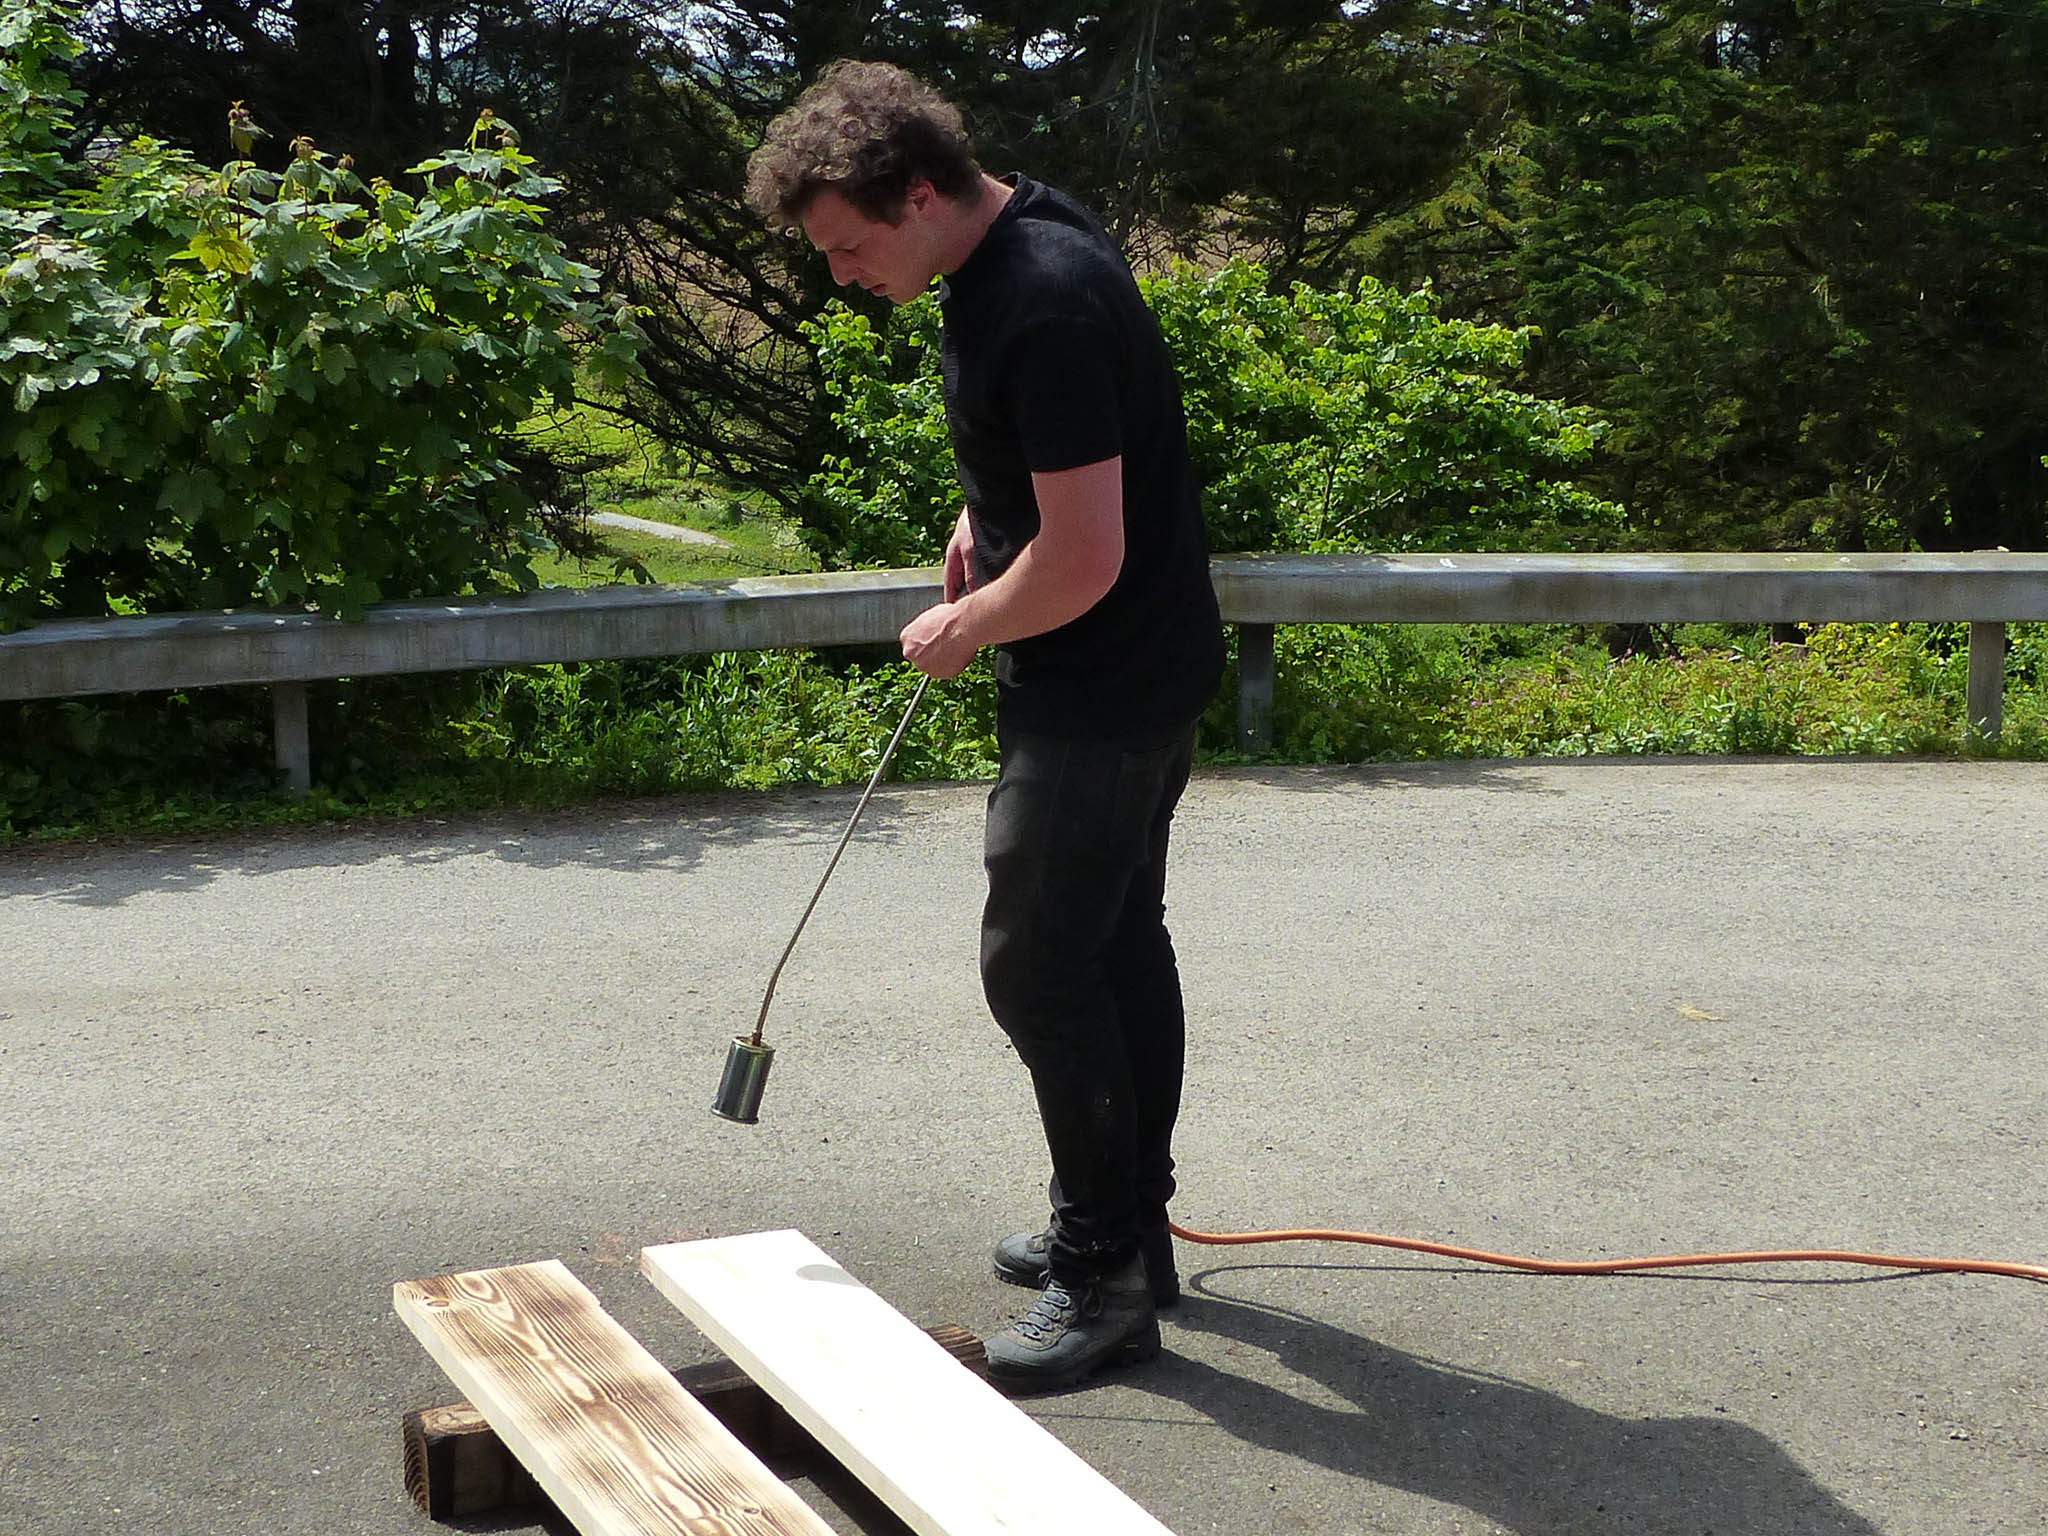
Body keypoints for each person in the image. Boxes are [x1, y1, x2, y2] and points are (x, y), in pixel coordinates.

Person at [746, 60, 1225, 1394]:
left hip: (1102, 689)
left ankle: (1104, 1278)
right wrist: (985, 513)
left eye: (847, 247)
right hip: (1144, 668)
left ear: (916, 194)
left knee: (1038, 968)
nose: (840, 276)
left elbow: (1081, 561)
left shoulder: (1042, 302)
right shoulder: (1028, 231)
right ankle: (1134, 1228)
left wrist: (966, 624)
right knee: (1116, 939)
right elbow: (1069, 469)